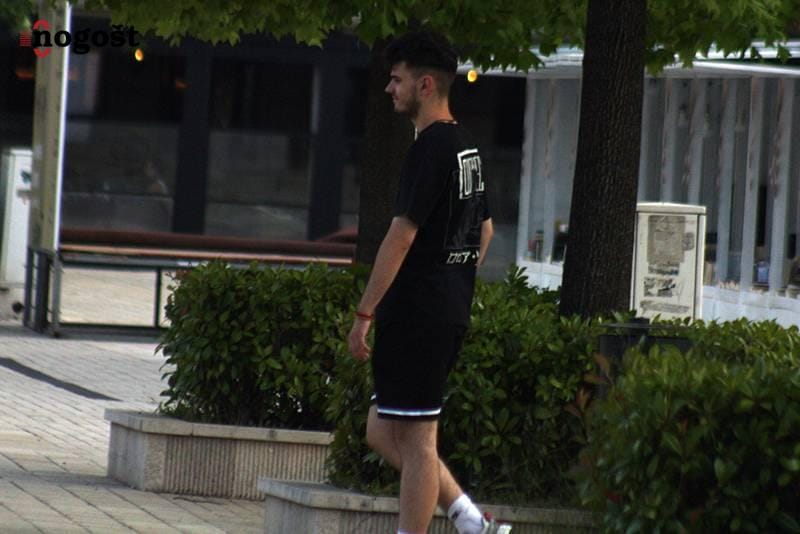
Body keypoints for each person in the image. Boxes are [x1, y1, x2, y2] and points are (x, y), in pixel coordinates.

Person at [347, 31, 509, 534]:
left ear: (425, 84)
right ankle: (470, 520)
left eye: (396, 80)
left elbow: (400, 237)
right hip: (443, 309)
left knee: (418, 442)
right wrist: (453, 281)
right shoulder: (466, 147)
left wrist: (363, 314)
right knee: (381, 429)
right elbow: (485, 231)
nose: (389, 89)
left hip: (418, 315)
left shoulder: (429, 149)